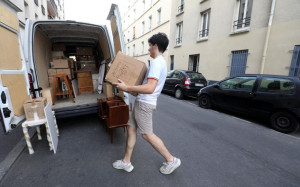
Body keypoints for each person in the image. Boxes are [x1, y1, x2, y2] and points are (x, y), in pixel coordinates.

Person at [112, 33, 181, 174]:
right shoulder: (159, 62)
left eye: (149, 46)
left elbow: (150, 88)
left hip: (145, 104)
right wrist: (132, 90)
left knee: (147, 134)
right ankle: (126, 162)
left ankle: (171, 160)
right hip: (141, 102)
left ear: (155, 46)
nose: (148, 49)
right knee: (131, 128)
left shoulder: (156, 62)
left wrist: (127, 88)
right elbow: (147, 85)